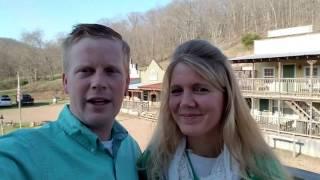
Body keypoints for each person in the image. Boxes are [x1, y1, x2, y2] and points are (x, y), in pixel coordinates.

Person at [0, 24, 141, 179]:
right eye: (86, 71)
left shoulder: (132, 150)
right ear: (66, 82)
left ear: (126, 84)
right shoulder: (22, 154)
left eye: (111, 71)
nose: (98, 82)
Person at [137, 39, 291, 180]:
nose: (185, 102)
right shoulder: (153, 165)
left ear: (227, 97)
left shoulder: (262, 171)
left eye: (201, 89)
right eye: (176, 91)